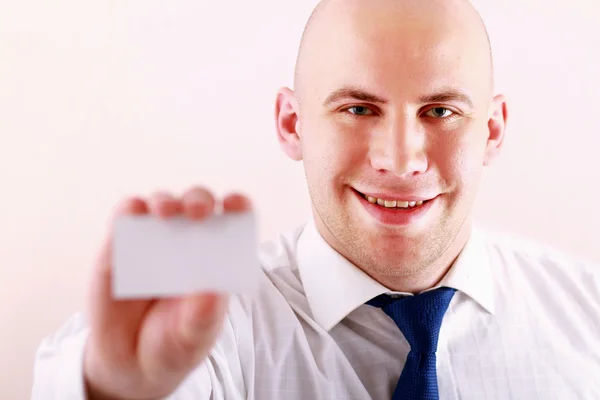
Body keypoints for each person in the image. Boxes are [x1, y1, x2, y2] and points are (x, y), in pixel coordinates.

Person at [31, 0, 600, 399]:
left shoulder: (587, 311)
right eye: (358, 109)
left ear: (493, 130)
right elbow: (80, 378)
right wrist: (114, 389)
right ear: (292, 123)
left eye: (440, 111)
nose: (400, 161)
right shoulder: (216, 318)